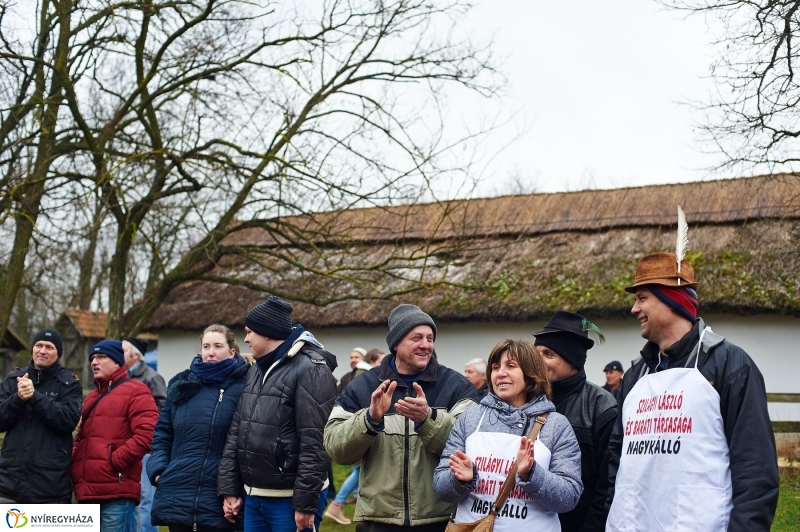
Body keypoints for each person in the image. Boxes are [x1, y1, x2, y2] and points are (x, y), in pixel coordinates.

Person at [606, 252, 780, 531]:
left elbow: (755, 470)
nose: (634, 309)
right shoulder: (634, 376)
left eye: (642, 298)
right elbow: (616, 460)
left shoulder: (730, 366)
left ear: (672, 300)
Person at [324, 304, 480, 531]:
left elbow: (471, 443)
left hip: (438, 520)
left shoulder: (456, 386)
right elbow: (336, 448)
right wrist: (369, 420)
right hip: (378, 521)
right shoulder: (362, 386)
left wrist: (428, 419)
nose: (425, 345)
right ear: (396, 343)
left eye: (430, 338)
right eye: (416, 337)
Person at [433, 338, 582, 531]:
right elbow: (440, 487)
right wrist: (460, 479)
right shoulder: (470, 419)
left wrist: (532, 474)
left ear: (531, 374)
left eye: (511, 366)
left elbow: (569, 497)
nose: (500, 373)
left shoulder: (556, 425)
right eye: (495, 368)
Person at [217, 296, 337, 532]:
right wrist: (230, 488)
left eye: (250, 332)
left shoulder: (311, 369)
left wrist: (305, 502)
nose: (246, 339)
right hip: (254, 497)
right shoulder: (256, 369)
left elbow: (316, 442)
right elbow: (238, 429)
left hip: (290, 501)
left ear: (268, 333)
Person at [148, 324, 250, 532]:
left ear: (232, 352)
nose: (210, 352)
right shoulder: (182, 384)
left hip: (222, 499)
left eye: (218, 346)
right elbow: (162, 434)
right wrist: (159, 472)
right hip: (178, 496)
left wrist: (236, 490)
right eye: (206, 346)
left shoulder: (247, 386)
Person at [533, 311, 617, 532]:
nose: (538, 361)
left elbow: (608, 485)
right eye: (536, 353)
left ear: (572, 360)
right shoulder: (524, 399)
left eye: (548, 354)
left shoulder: (601, 406)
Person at [72, 340, 159, 532]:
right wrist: (76, 460)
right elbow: (81, 437)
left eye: (101, 357)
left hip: (117, 494)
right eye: (92, 358)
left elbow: (148, 433)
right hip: (86, 493)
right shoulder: (91, 398)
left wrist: (115, 461)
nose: (94, 362)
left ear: (118, 362)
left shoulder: (136, 390)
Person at [0, 328, 82, 503]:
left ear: (58, 353)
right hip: (9, 485)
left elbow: (68, 420)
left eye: (49, 347)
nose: (43, 351)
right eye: (39, 345)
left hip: (49, 488)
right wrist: (18, 399)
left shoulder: (69, 384)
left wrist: (35, 397)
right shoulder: (12, 379)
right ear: (32, 349)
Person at [324, 348, 387, 524]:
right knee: (359, 470)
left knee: (358, 470)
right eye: (381, 361)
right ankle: (337, 504)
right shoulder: (364, 377)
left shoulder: (358, 375)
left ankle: (353, 500)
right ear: (372, 361)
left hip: (359, 426)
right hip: (359, 427)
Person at [123, 337, 167, 532]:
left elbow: (162, 411)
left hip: (146, 449)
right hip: (126, 448)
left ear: (135, 355)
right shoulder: (121, 378)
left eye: (122, 350)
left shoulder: (152, 378)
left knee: (146, 498)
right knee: (128, 498)